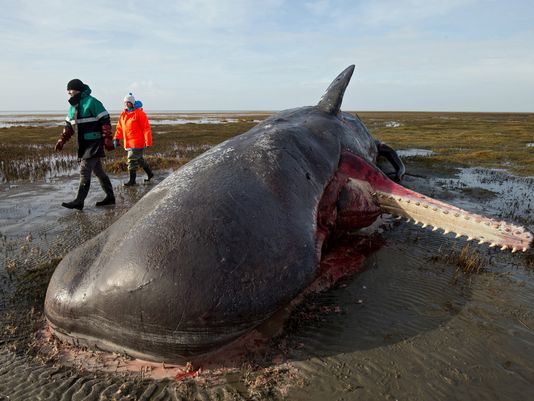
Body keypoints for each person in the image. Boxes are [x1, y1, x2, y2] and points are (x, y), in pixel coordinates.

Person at [55, 79, 116, 210]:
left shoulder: (92, 102)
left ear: (77, 89)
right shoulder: (72, 107)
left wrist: (107, 138)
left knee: (84, 170)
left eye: (70, 89)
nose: (68, 92)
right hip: (83, 145)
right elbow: (68, 127)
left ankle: (79, 201)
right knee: (99, 172)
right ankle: (110, 197)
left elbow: (105, 120)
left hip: (93, 143)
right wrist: (62, 140)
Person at [114, 93, 154, 186]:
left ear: (132, 103)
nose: (126, 104)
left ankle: (132, 181)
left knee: (131, 160)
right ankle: (150, 174)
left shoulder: (139, 113)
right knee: (139, 159)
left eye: (128, 103)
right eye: (125, 103)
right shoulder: (123, 115)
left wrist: (148, 141)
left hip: (137, 143)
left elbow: (146, 128)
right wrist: (116, 138)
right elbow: (119, 128)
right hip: (128, 143)